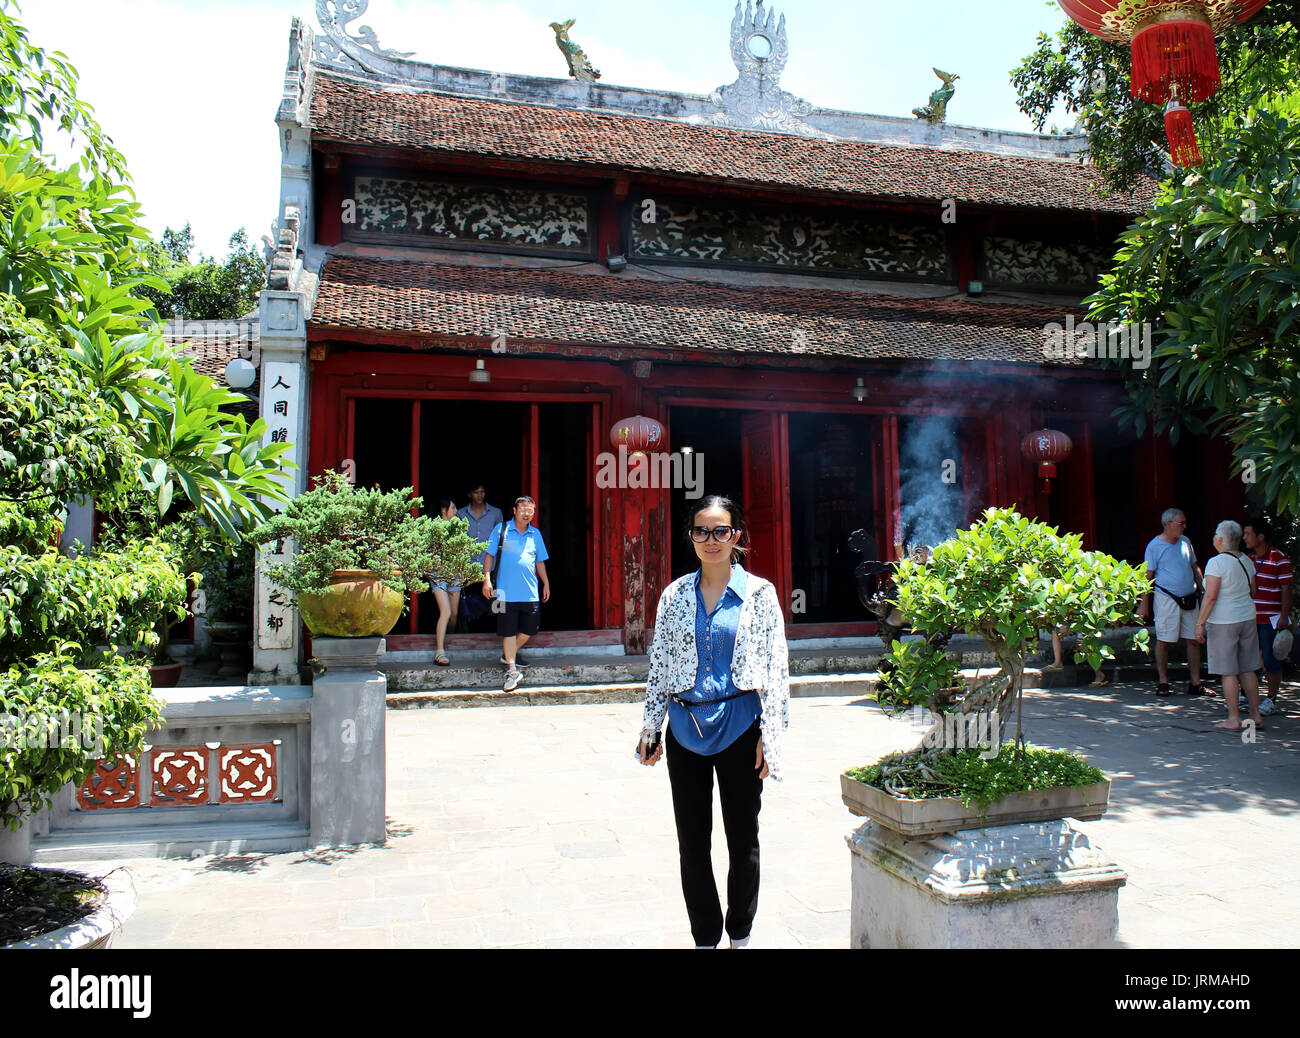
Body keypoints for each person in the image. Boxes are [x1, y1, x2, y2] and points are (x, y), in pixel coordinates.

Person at [637, 494, 790, 949]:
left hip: (742, 726)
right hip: (685, 729)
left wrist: (771, 736)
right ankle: (705, 937)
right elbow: (660, 663)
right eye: (701, 531)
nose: (711, 539)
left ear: (736, 536)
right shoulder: (674, 595)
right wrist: (651, 728)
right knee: (693, 843)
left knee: (743, 840)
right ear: (692, 538)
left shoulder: (760, 595)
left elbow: (778, 669)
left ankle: (739, 935)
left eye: (720, 530)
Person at [1195, 520, 1264, 732]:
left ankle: (1234, 718)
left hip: (1224, 621)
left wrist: (1200, 623)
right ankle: (1255, 714)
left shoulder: (1216, 563)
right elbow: (1254, 590)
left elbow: (1211, 596)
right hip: (1247, 617)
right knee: (1248, 668)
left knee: (1228, 671)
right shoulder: (1246, 560)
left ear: (1221, 539)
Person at [482, 496, 549, 691]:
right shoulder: (501, 530)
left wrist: (545, 583)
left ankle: (508, 654)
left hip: (530, 592)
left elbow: (540, 561)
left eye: (530, 511)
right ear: (514, 510)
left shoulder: (535, 534)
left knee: (530, 629)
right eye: (523, 510)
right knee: (508, 631)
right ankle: (511, 670)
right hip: (503, 592)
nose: (527, 514)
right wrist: (486, 580)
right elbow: (489, 556)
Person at [1137, 508, 1205, 696]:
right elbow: (1147, 576)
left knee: (1193, 640)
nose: (1184, 526)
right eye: (1180, 523)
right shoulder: (1154, 546)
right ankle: (1163, 681)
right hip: (1167, 597)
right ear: (1168, 524)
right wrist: (1144, 603)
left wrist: (1203, 589)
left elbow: (1194, 566)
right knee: (1164, 641)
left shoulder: (1185, 542)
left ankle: (1195, 682)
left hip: (1190, 596)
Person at [1242, 518, 1292, 716]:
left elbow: (1286, 590)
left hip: (1270, 619)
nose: (1244, 538)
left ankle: (1271, 698)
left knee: (1271, 660)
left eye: (1248, 534)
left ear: (1260, 537)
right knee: (1249, 659)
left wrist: (1284, 616)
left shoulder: (1279, 558)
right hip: (1250, 619)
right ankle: (1248, 695)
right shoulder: (1249, 559)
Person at [458, 483, 504, 627]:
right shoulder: (460, 513)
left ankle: (494, 635)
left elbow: (502, 539)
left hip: (491, 567)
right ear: (469, 494)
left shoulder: (496, 513)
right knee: (468, 607)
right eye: (476, 492)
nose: (480, 495)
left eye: (482, 492)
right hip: (468, 567)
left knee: (495, 607)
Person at [430, 497, 463, 666]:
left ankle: (449, 640)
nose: (456, 511)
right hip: (438, 575)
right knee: (446, 612)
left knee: (454, 614)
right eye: (453, 508)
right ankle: (439, 651)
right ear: (444, 510)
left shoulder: (458, 528)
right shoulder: (435, 528)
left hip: (455, 574)